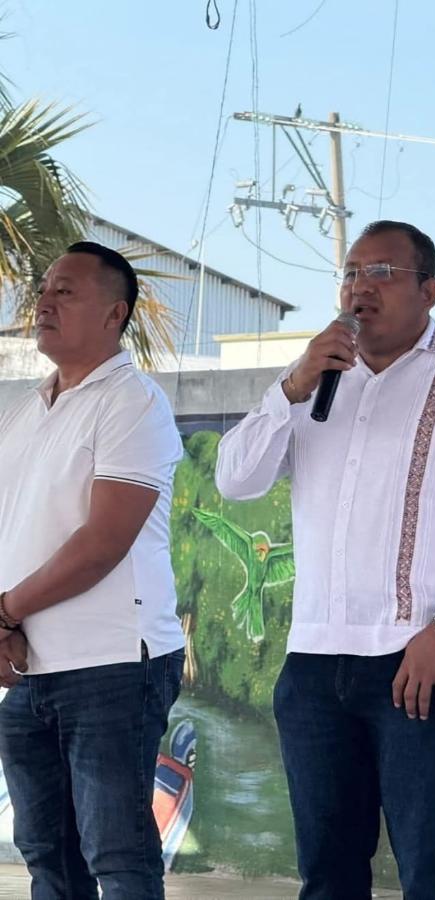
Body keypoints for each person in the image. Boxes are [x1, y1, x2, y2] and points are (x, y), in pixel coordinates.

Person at [215, 220, 435, 900]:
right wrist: (292, 385)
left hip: (420, 659)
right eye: (350, 274)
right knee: (327, 873)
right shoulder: (314, 383)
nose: (360, 288)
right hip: (314, 664)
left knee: (430, 870)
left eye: (382, 273)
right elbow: (236, 480)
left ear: (430, 291)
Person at [0, 241, 186, 899]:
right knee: (48, 857)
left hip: (112, 665)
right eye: (44, 289)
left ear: (115, 314)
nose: (45, 302)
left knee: (118, 856)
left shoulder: (133, 402)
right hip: (31, 669)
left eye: (66, 291)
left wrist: (5, 610)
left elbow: (103, 542)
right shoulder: (27, 410)